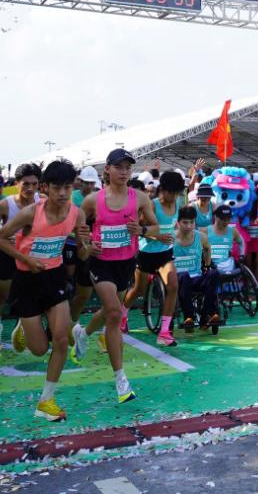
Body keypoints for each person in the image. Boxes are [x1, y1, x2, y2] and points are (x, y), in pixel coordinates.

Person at [0, 159, 91, 422]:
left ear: (73, 187)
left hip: (55, 278)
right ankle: (23, 328)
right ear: (45, 188)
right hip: (26, 280)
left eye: (67, 187)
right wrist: (25, 259)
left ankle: (46, 401)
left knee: (60, 340)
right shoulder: (30, 214)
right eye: (56, 187)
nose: (62, 193)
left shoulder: (77, 214)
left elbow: (82, 253)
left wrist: (87, 244)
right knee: (38, 349)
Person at [77, 148, 155, 403]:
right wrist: (87, 245)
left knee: (111, 311)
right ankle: (121, 380)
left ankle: (83, 333)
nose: (123, 172)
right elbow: (79, 231)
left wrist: (141, 229)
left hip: (125, 263)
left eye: (127, 168)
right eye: (118, 167)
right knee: (113, 313)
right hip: (100, 264)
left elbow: (154, 227)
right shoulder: (93, 201)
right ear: (107, 170)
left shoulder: (140, 198)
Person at [125, 161, 184, 347]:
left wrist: (172, 234)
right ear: (162, 189)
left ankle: (165, 332)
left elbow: (172, 224)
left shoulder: (178, 203)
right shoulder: (151, 205)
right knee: (138, 290)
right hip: (146, 253)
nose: (173, 197)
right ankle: (122, 316)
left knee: (173, 285)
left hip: (165, 253)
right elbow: (140, 229)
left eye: (176, 193)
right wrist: (158, 237)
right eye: (170, 192)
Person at [0, 164, 40, 351]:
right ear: (17, 183)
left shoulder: (44, 202)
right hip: (8, 255)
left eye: (34, 184)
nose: (30, 188)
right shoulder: (4, 205)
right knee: (1, 295)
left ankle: (23, 328)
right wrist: (1, 235)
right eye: (26, 184)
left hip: (33, 255)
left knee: (31, 295)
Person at [172, 206, 219, 333]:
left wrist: (207, 265)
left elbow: (208, 248)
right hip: (177, 279)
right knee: (184, 276)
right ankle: (189, 316)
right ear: (178, 222)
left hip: (196, 277)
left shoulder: (201, 237)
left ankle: (205, 315)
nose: (189, 226)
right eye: (185, 222)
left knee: (214, 273)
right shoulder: (171, 238)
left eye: (192, 222)